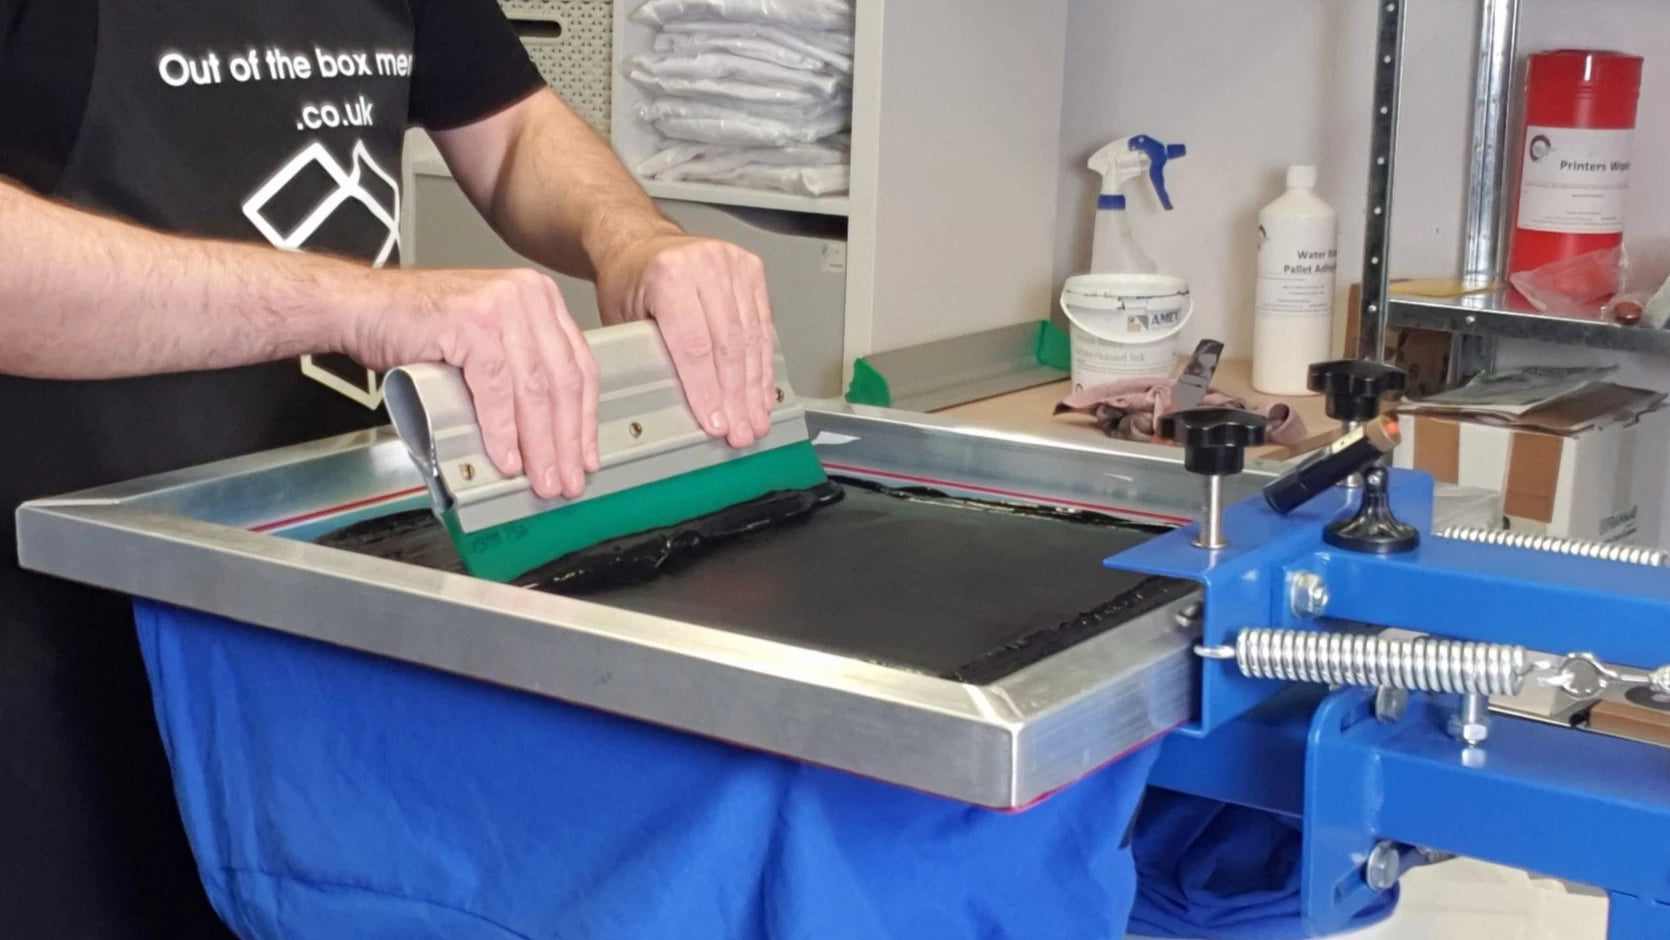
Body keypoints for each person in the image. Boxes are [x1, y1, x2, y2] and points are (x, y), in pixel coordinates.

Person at [0, 1, 776, 934]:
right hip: (53, 636)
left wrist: (634, 237)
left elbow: (514, 126)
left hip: (314, 602)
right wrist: (359, 304)